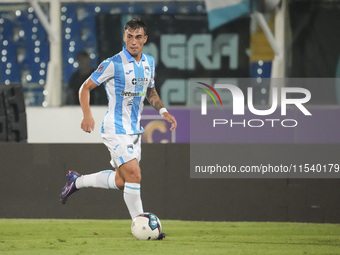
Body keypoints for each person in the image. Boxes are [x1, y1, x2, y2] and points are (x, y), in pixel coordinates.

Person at [60, 18, 177, 239]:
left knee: (123, 181)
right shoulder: (113, 63)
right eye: (129, 37)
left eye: (138, 37)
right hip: (115, 128)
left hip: (134, 131)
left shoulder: (149, 62)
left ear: (145, 39)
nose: (133, 42)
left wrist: (163, 112)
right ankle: (143, 227)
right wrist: (87, 115)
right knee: (135, 175)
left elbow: (150, 91)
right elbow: (85, 87)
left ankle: (76, 181)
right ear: (124, 37)